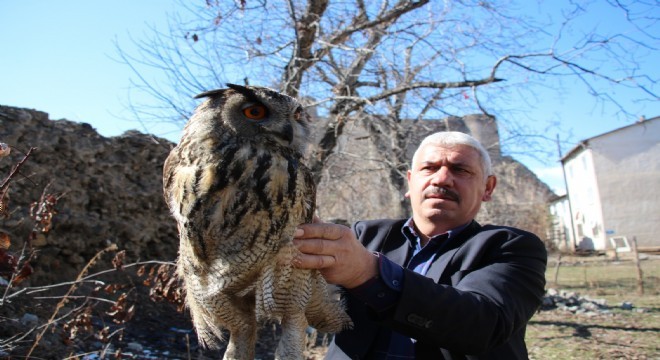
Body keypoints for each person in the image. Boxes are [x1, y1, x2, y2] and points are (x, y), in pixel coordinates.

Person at [293, 131, 547, 359]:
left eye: (460, 170)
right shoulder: (366, 235)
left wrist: (368, 273)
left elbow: (485, 325)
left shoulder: (511, 247)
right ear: (410, 182)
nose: (442, 179)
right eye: (430, 167)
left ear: (488, 188)